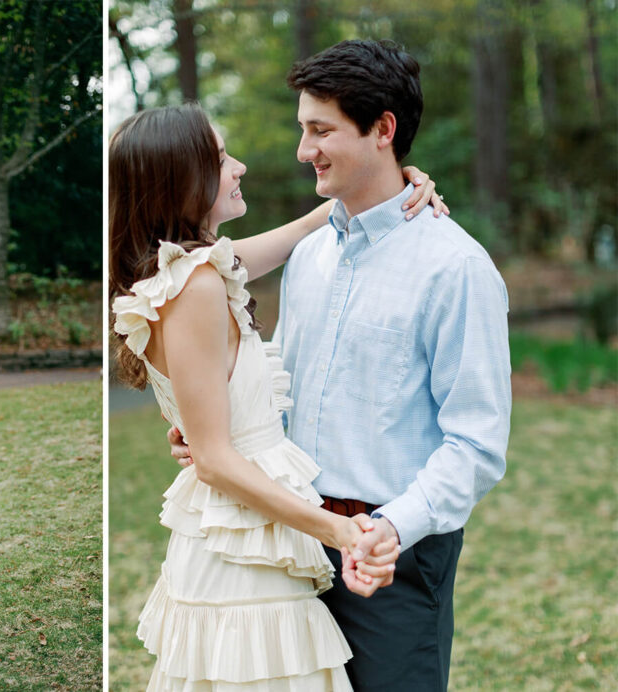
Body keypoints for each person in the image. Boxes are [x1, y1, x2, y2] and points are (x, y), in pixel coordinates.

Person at [170, 40, 512, 691]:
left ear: (383, 129)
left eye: (320, 130)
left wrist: (387, 529)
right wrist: (215, 420)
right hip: (289, 539)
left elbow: (475, 444)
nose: (305, 150)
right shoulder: (312, 255)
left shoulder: (456, 268)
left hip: (395, 554)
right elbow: (289, 384)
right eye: (304, 129)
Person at [110, 103, 445, 690]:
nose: (238, 167)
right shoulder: (196, 288)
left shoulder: (198, 270)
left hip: (249, 533)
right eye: (219, 159)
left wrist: (394, 185)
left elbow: (296, 234)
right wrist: (338, 531)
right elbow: (214, 459)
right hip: (242, 554)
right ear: (182, 177)